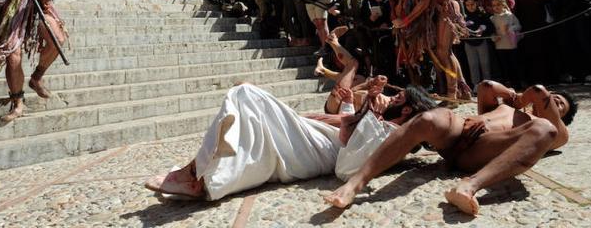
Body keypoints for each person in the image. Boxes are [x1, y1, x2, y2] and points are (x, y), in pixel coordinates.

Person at [143, 78, 437, 201]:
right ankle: (201, 175)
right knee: (253, 121)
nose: (392, 97)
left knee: (246, 94)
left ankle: (193, 174)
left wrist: (366, 113)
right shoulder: (380, 121)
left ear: (407, 109)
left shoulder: (389, 135)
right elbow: (345, 120)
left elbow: (346, 166)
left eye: (398, 97)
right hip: (312, 133)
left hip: (317, 150)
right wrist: (358, 104)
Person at [325, 80, 576, 214]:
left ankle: (469, 186)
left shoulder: (554, 131)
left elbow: (542, 98)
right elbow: (486, 87)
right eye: (556, 97)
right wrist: (516, 98)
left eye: (559, 104)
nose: (553, 102)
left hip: (484, 149)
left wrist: (539, 97)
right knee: (426, 119)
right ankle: (354, 184)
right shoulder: (511, 108)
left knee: (544, 128)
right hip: (459, 130)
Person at [489, 0, 523, 87]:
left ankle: (517, 84)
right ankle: (507, 85)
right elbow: (491, 32)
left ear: (503, 5)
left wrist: (510, 28)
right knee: (504, 67)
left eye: (498, 4)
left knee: (514, 65)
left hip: (511, 45)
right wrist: (494, 37)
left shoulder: (510, 15)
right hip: (499, 46)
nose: (496, 7)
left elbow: (519, 26)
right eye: (494, 5)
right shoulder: (492, 19)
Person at [462, 0, 493, 88]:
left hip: (481, 42)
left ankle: (487, 83)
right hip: (469, 43)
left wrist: (484, 28)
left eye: (472, 4)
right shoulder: (464, 16)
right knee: (473, 64)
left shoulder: (482, 14)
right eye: (467, 5)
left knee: (485, 63)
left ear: (477, 3)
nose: (470, 7)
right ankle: (476, 84)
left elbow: (490, 27)